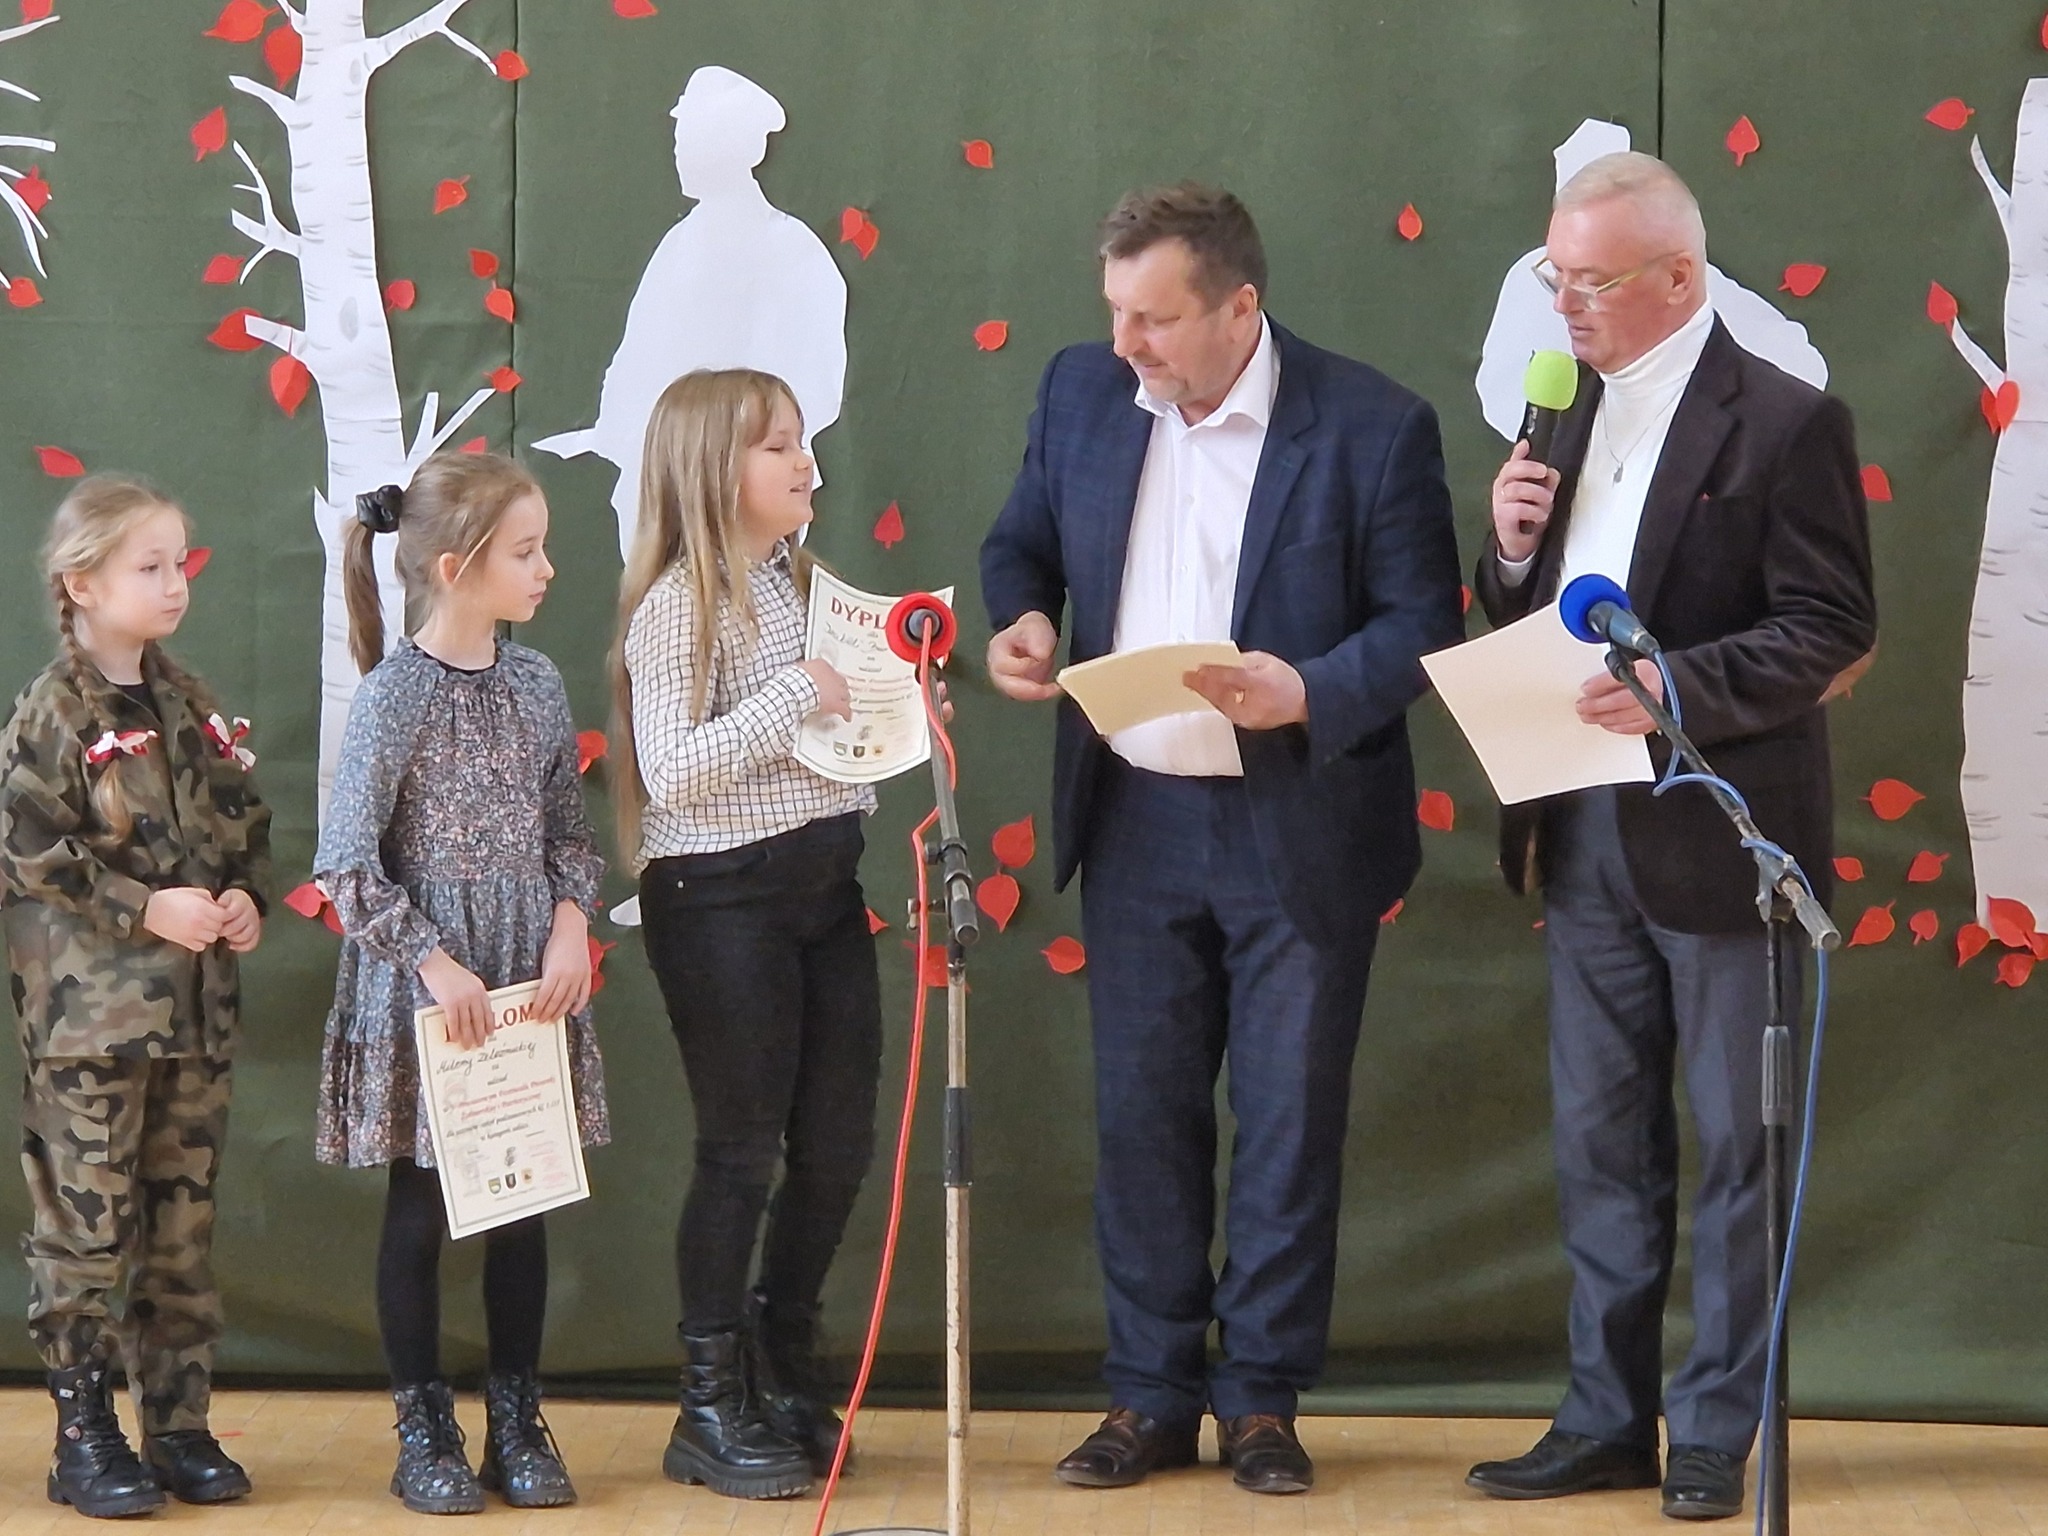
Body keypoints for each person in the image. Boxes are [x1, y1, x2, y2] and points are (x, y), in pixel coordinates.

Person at [979, 183, 1463, 1495]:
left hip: (1298, 817)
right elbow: (1021, 543)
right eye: (1116, 312)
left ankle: (1260, 1401)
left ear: (1240, 308)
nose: (1127, 342)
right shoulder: (1082, 393)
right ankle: (1146, 1396)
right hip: (1133, 815)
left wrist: (1306, 689)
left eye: (1156, 318)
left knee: (1288, 1123)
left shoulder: (1373, 426)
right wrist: (1023, 621)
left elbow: (1423, 622)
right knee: (1142, 1120)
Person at [1462, 152, 1876, 1522]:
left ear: (1680, 277)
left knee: (1734, 1151)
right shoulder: (1561, 413)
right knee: (1599, 1142)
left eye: (1590, 281)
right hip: (1577, 822)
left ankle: (1712, 1430)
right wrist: (1508, 552)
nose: (1564, 304)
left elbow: (1830, 626)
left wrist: (1675, 686)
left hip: (1719, 832)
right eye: (1556, 276)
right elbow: (1531, 604)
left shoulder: (1786, 421)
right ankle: (1602, 1417)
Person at [313, 452, 608, 1516]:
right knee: (422, 1206)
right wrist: (435, 963)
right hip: (430, 991)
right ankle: (423, 1425)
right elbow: (345, 865)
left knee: (521, 1196)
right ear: (455, 567)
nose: (547, 569)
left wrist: (570, 925)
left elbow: (569, 836)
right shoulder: (394, 696)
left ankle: (517, 1419)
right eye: (526, 552)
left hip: (524, 979)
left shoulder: (537, 682)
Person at [613, 368, 880, 1502]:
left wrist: (886, 719)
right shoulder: (679, 603)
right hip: (719, 895)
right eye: (777, 445)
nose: (804, 459)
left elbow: (826, 738)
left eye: (801, 439)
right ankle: (708, 1401)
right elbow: (672, 768)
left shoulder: (801, 585)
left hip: (823, 884)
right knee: (740, 1149)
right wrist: (800, 697)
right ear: (713, 471)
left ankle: (782, 1358)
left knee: (836, 1142)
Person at [0, 474, 271, 1517]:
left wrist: (242, 899)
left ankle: (179, 1427)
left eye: (178, 563)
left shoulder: (189, 703)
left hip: (193, 1021)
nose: (173, 583)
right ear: (82, 583)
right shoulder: (54, 711)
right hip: (92, 1026)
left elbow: (242, 824)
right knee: (86, 1233)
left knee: (180, 1233)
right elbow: (28, 852)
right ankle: (85, 1436)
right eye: (147, 566)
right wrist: (145, 906)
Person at [534, 65, 848, 562]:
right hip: (661, 479)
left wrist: (739, 442)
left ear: (739, 146)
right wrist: (618, 429)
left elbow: (816, 381)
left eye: (695, 137)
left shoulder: (792, 250)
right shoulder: (679, 245)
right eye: (682, 137)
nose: (680, 151)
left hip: (746, 495)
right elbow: (636, 355)